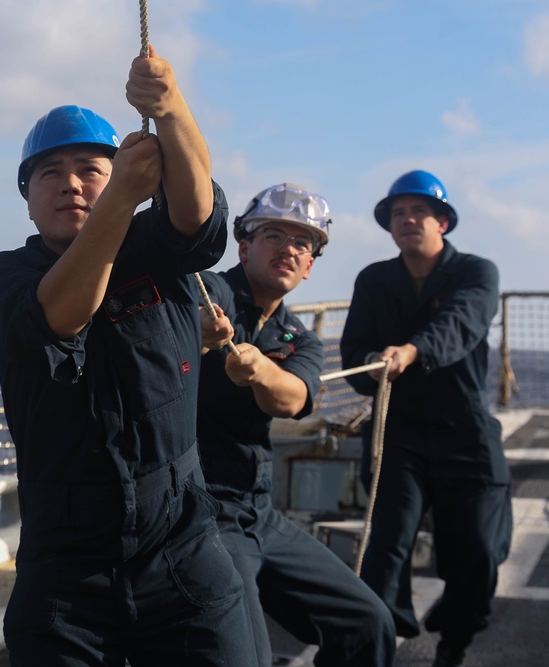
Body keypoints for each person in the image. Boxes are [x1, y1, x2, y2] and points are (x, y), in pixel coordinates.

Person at [0, 47, 256, 666]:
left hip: (182, 548)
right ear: (25, 197)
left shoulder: (157, 250)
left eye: (89, 169)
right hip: (66, 571)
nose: (70, 182)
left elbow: (198, 214)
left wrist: (171, 108)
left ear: (124, 171)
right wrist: (120, 197)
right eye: (49, 173)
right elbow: (59, 314)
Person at [196, 184, 396, 667]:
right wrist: (197, 332)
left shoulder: (300, 339)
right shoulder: (214, 293)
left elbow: (294, 399)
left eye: (302, 243)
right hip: (200, 513)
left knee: (369, 625)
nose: (288, 248)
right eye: (273, 235)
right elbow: (182, 303)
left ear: (309, 267)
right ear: (244, 248)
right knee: (245, 656)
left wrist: (261, 369)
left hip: (257, 511)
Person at [339, 170, 513, 667]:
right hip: (400, 433)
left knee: (478, 549)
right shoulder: (374, 280)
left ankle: (455, 639)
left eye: (418, 211)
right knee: (385, 549)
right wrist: (375, 365)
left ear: (443, 222)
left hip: (465, 431)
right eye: (398, 213)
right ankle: (378, 644)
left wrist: (411, 352)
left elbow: (460, 324)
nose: (407, 219)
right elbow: (354, 354)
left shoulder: (477, 273)